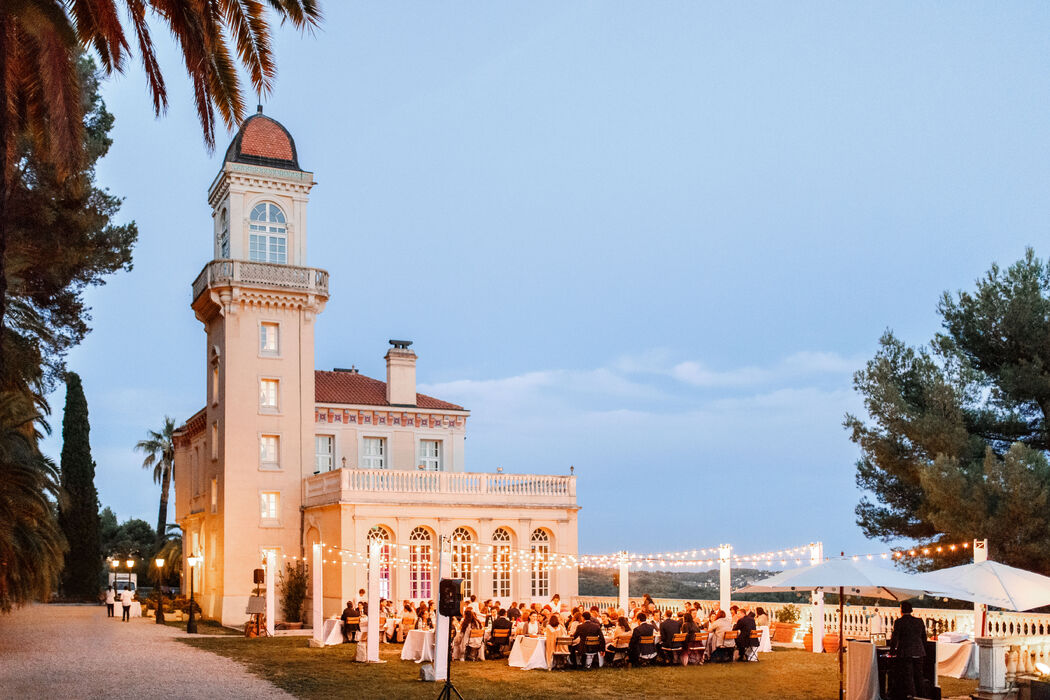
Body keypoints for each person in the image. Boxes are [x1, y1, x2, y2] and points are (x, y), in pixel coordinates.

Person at [888, 601, 927, 700]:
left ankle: (912, 696)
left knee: (908, 676)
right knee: (919, 675)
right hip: (919, 652)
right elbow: (924, 637)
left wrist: (892, 651)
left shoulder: (899, 622)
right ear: (911, 610)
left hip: (906, 653)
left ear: (901, 610)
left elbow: (895, 638)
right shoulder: (919, 621)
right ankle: (922, 695)